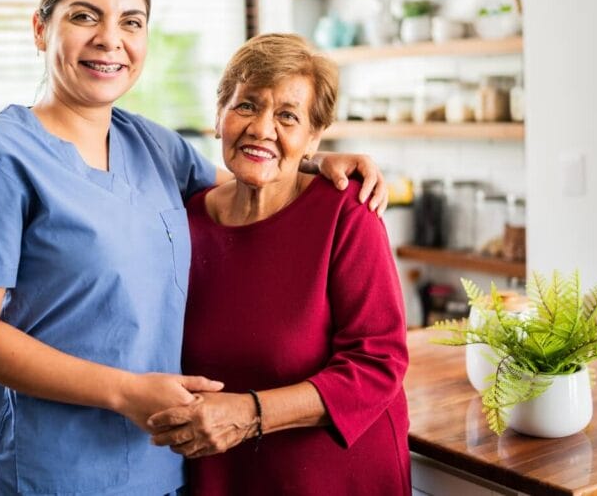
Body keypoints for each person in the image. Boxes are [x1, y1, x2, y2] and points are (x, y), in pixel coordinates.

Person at [0, 0, 389, 496]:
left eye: (131, 22)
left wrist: (314, 160)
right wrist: (125, 392)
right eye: (84, 16)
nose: (110, 39)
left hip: (163, 472)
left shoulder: (150, 145)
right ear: (40, 28)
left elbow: (248, 178)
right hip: (51, 474)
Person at [148, 33, 410, 495]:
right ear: (219, 115)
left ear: (314, 137)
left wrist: (249, 414)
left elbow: (378, 364)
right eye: (246, 105)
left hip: (333, 477)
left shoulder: (346, 214)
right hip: (226, 476)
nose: (262, 128)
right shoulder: (184, 221)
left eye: (287, 116)